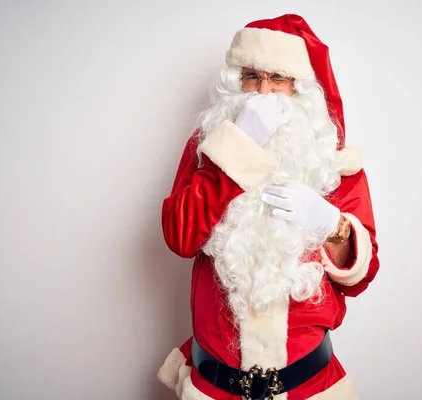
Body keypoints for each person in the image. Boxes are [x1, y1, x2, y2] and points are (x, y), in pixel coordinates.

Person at [157, 13, 380, 400]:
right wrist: (237, 148)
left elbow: (363, 276)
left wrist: (331, 224)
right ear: (237, 83)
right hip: (215, 388)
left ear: (302, 90)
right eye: (252, 77)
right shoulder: (207, 147)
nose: (263, 92)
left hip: (310, 387)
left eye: (278, 79)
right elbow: (180, 236)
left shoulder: (333, 160)